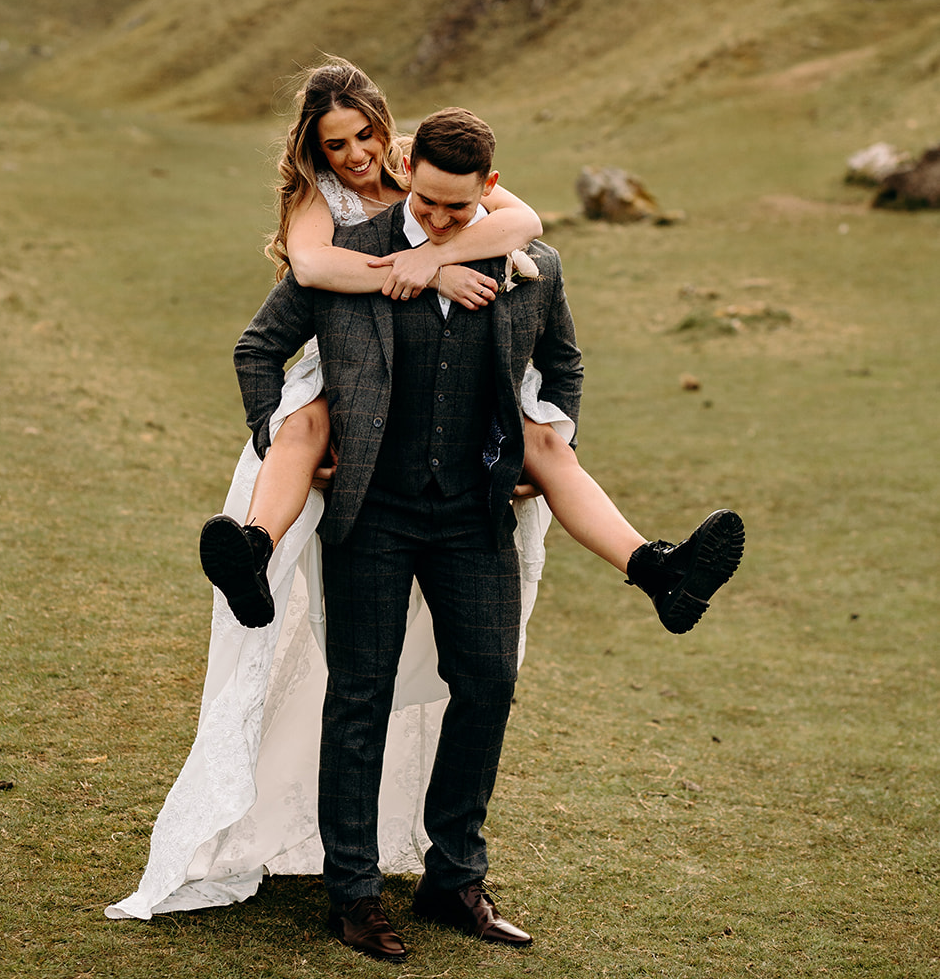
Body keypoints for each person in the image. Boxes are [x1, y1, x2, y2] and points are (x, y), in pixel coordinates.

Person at [232, 105, 743, 959]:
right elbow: (259, 346)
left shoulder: (531, 267)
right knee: (359, 696)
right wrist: (276, 435)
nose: (436, 221)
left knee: (488, 684)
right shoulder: (350, 258)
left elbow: (566, 363)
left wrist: (548, 443)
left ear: (489, 192)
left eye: (456, 211)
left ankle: (453, 876)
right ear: (407, 176)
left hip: (475, 514)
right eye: (424, 203)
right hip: (372, 512)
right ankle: (352, 892)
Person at [202, 59, 743, 640]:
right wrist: (430, 274)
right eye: (336, 144)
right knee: (304, 426)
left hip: (451, 359)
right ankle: (254, 548)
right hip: (354, 357)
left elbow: (524, 219)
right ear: (316, 148)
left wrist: (435, 255)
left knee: (545, 442)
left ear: (388, 132)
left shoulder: (422, 162)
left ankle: (658, 569)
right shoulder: (319, 194)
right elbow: (311, 265)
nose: (357, 155)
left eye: (366, 135)